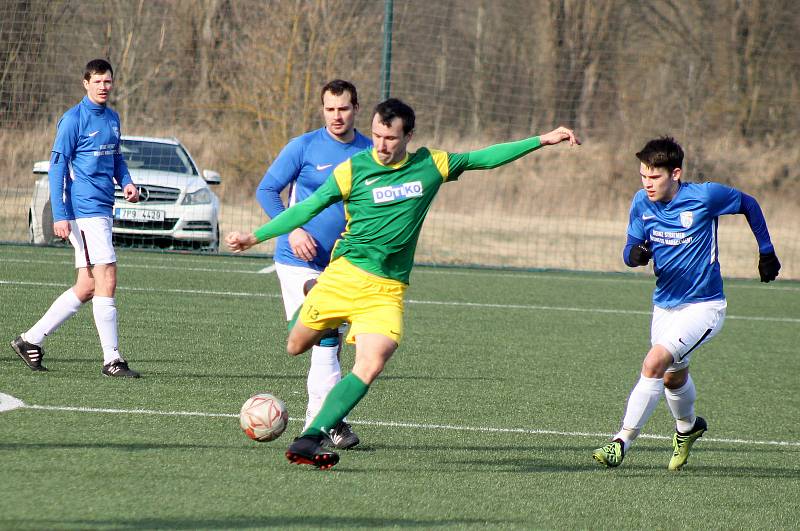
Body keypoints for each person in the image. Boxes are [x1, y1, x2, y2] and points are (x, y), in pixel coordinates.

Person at [227, 98, 580, 469]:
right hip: (345, 273)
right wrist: (256, 236)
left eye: (390, 138)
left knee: (372, 362)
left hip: (386, 288)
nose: (380, 144)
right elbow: (306, 207)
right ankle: (317, 300)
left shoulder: (431, 164)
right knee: (296, 346)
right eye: (377, 135)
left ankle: (309, 438)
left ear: (408, 136)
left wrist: (541, 140)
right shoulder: (353, 170)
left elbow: (485, 158)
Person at [592, 136, 781, 470]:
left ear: (675, 173)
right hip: (664, 305)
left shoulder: (705, 196)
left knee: (654, 363)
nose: (647, 184)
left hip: (704, 307)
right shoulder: (641, 202)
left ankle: (621, 440)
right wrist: (634, 255)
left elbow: (749, 203)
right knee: (671, 377)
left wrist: (766, 251)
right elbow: (630, 250)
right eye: (643, 176)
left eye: (654, 177)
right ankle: (688, 428)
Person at [256, 79, 372, 449]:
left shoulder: (370, 152)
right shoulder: (303, 147)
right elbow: (266, 190)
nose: (337, 116)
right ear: (322, 110)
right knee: (326, 336)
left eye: (344, 108)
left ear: (356, 109)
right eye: (330, 109)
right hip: (297, 263)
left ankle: (324, 420)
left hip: (343, 264)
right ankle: (322, 426)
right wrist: (293, 231)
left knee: (331, 344)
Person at [11, 59, 141, 378]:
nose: (103, 86)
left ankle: (30, 340)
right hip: (83, 212)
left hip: (102, 209)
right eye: (97, 81)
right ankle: (112, 359)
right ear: (85, 83)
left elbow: (116, 158)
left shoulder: (112, 118)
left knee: (86, 286)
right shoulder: (72, 120)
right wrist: (60, 214)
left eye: (107, 81)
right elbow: (57, 169)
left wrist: (126, 181)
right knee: (107, 275)